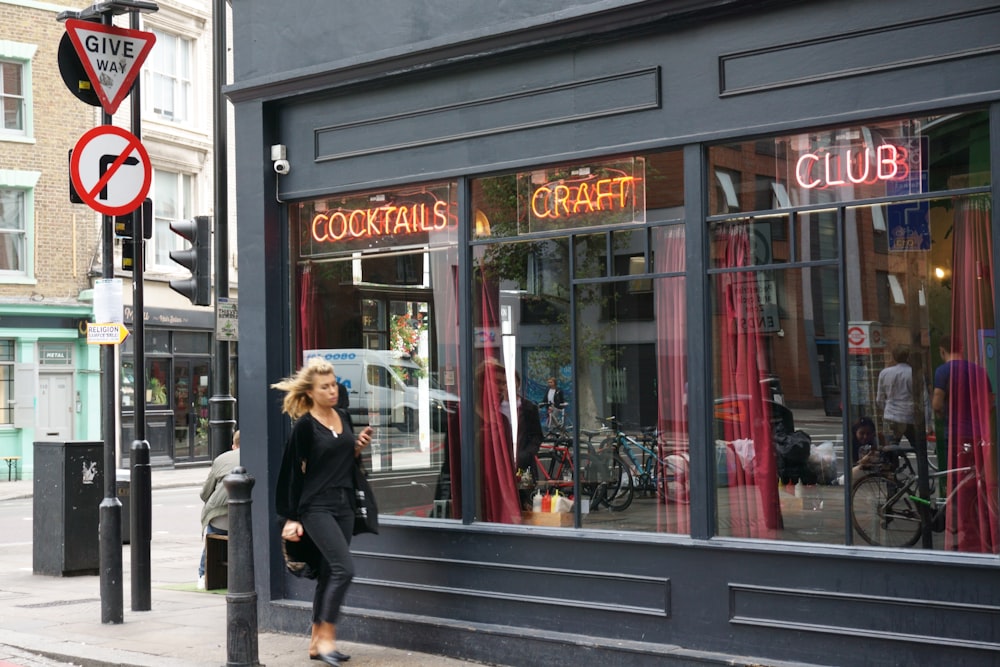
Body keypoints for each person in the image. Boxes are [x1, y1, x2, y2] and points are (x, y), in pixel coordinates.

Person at [273, 358, 374, 666]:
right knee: (345, 568)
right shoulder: (305, 426)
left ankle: (317, 644)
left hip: (343, 505)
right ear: (310, 392)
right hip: (315, 506)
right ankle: (328, 637)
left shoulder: (343, 416)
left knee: (331, 571)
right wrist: (290, 517)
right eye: (325, 387)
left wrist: (356, 447)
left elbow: (344, 461)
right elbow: (292, 472)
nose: (332, 391)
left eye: (334, 385)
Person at [932, 334, 995, 552]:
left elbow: (937, 402)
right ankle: (979, 527)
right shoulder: (979, 370)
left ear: (942, 350)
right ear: (962, 348)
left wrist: (942, 418)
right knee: (977, 480)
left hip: (956, 435)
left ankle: (966, 532)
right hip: (978, 435)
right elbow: (990, 402)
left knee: (960, 484)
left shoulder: (943, 371)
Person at [197, 429, 240, 590]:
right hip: (248, 520)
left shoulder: (222, 459)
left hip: (219, 518)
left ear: (233, 445)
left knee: (213, 534)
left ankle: (202, 574)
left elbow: (205, 493)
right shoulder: (259, 455)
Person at [876, 345, 925, 447]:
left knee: (889, 448)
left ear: (894, 357)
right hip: (909, 415)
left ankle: (892, 462)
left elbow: (880, 399)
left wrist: (887, 409)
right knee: (917, 446)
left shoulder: (884, 373)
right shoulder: (915, 373)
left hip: (891, 415)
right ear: (908, 357)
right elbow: (924, 398)